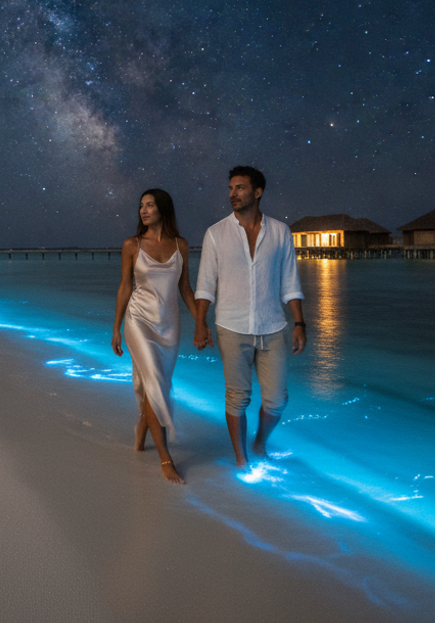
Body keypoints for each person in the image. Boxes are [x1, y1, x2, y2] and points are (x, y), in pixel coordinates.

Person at [193, 166, 306, 467]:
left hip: (273, 326)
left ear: (258, 192)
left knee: (277, 399)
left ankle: (259, 443)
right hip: (231, 326)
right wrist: (200, 323)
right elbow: (205, 284)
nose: (232, 194)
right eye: (230, 188)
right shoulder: (216, 233)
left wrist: (299, 323)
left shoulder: (280, 231)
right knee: (237, 397)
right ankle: (241, 458)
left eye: (240, 188)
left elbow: (290, 282)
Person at [112, 188, 199, 484]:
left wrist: (202, 321)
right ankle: (165, 457)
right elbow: (125, 287)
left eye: (150, 205)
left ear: (163, 209)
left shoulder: (181, 246)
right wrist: (116, 327)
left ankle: (143, 423)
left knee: (157, 383)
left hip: (169, 326)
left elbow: (185, 289)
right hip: (138, 322)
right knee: (153, 384)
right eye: (141, 206)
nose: (143, 210)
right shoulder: (132, 245)